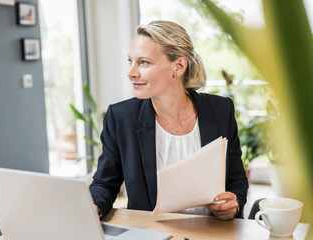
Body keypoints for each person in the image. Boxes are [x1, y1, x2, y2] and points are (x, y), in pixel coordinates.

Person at [89, 20, 248, 220]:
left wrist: (233, 200)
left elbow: (236, 179)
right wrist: (92, 207)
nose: (131, 72)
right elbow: (104, 183)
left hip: (212, 232)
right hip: (152, 234)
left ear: (179, 66)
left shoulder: (221, 110)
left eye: (143, 62)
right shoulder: (121, 117)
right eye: (130, 61)